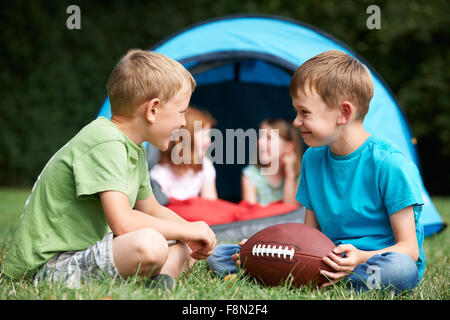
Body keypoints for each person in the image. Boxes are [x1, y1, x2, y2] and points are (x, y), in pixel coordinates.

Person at [210, 50, 425, 294]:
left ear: (343, 113)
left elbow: (409, 248)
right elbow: (308, 234)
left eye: (304, 112)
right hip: (323, 259)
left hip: (375, 261)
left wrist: (360, 257)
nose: (296, 121)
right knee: (220, 256)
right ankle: (295, 272)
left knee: (400, 270)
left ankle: (298, 275)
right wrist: (261, 248)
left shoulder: (390, 164)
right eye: (296, 112)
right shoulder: (312, 158)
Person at [1, 49, 217, 289]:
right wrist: (185, 231)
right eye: (181, 112)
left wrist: (191, 231)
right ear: (152, 109)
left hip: (87, 252)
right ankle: (159, 276)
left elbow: (152, 208)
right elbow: (123, 222)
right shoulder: (105, 141)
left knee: (185, 245)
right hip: (50, 266)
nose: (183, 122)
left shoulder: (134, 149)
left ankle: (160, 284)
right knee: (150, 244)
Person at [150, 106, 218, 201]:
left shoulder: (205, 166)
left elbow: (211, 205)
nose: (209, 140)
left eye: (208, 135)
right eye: (203, 135)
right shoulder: (158, 174)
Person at [241, 118, 302, 206]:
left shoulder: (299, 176)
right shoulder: (250, 175)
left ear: (289, 147)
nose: (260, 142)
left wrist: (290, 176)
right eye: (260, 137)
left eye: (268, 138)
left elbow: (292, 209)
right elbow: (251, 215)